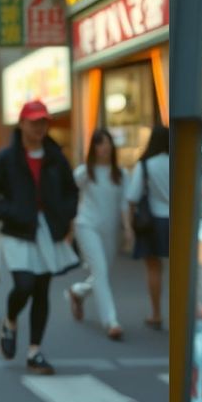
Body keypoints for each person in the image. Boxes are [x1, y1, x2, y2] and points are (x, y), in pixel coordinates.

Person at [0, 99, 79, 375]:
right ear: (22, 123)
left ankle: (35, 350)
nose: (39, 127)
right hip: (17, 230)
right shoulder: (6, 158)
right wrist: (8, 212)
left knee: (42, 289)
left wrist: (65, 215)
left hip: (48, 231)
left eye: (43, 122)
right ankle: (10, 320)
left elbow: (71, 190)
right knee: (24, 284)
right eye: (34, 121)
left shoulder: (55, 157)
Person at [67, 126, 128, 339]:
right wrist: (68, 225)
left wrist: (128, 230)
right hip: (87, 226)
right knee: (101, 271)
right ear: (93, 147)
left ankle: (78, 291)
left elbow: (124, 205)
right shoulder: (83, 173)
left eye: (107, 142)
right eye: (100, 143)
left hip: (111, 230)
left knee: (102, 274)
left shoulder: (121, 174)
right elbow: (69, 197)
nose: (105, 147)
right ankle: (111, 321)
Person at [125, 123, 170, 329]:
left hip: (152, 222)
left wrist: (128, 227)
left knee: (154, 268)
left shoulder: (145, 165)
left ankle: (157, 313)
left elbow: (132, 198)